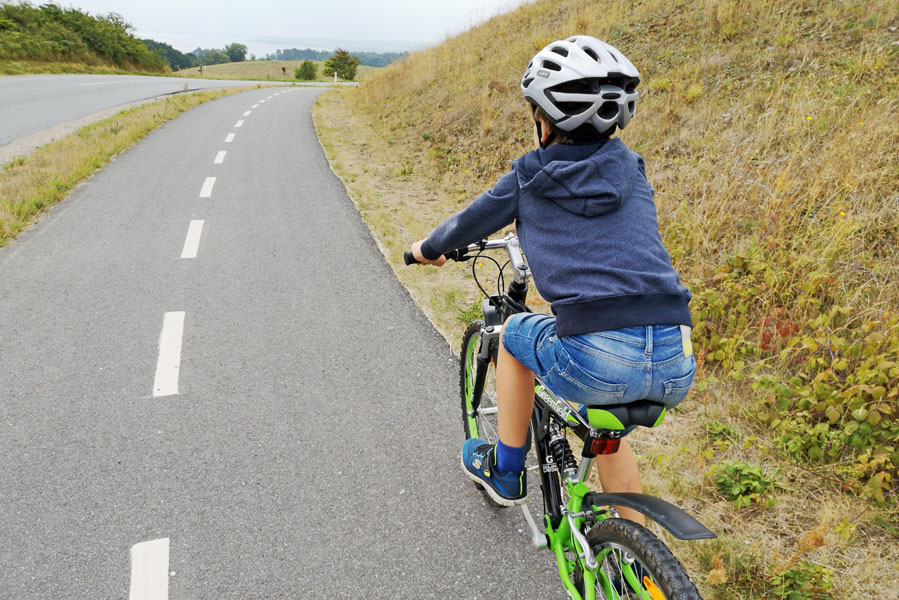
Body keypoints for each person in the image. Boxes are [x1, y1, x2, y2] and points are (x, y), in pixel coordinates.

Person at [409, 35, 695, 524]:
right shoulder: (630, 167)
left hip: (599, 355)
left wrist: (427, 250)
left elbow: (467, 224)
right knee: (605, 428)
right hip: (675, 353)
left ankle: (506, 472)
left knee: (513, 336)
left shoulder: (527, 177)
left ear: (544, 119)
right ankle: (635, 569)